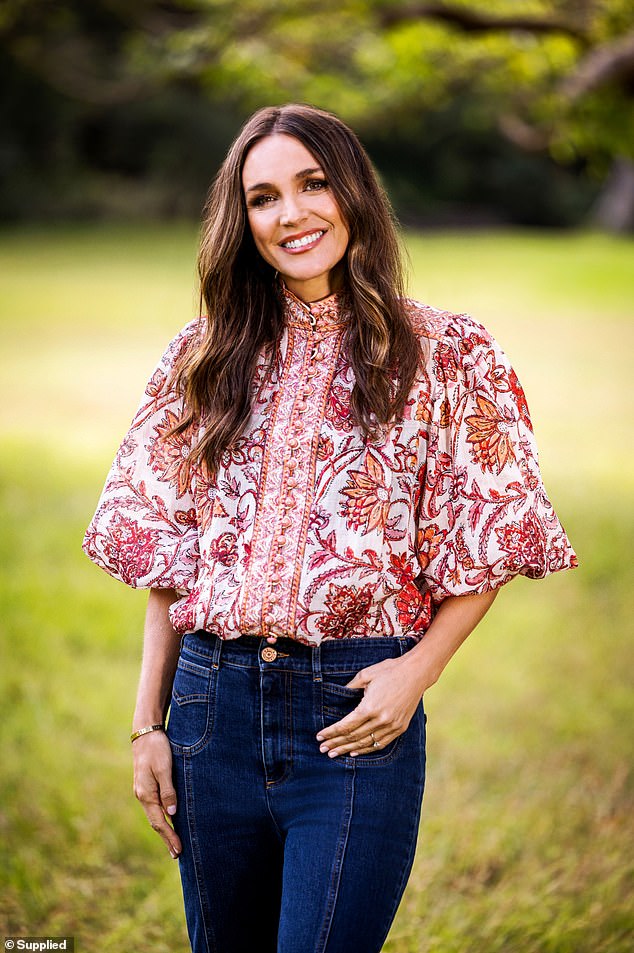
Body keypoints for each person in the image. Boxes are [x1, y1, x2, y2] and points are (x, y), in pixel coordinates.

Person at [83, 103, 577, 953]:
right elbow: (171, 564)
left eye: (313, 184)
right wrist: (148, 726)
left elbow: (486, 539)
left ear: (353, 192)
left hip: (353, 709)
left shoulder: (447, 353)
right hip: (210, 712)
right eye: (264, 197)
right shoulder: (200, 359)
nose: (292, 214)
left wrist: (414, 674)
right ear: (243, 220)